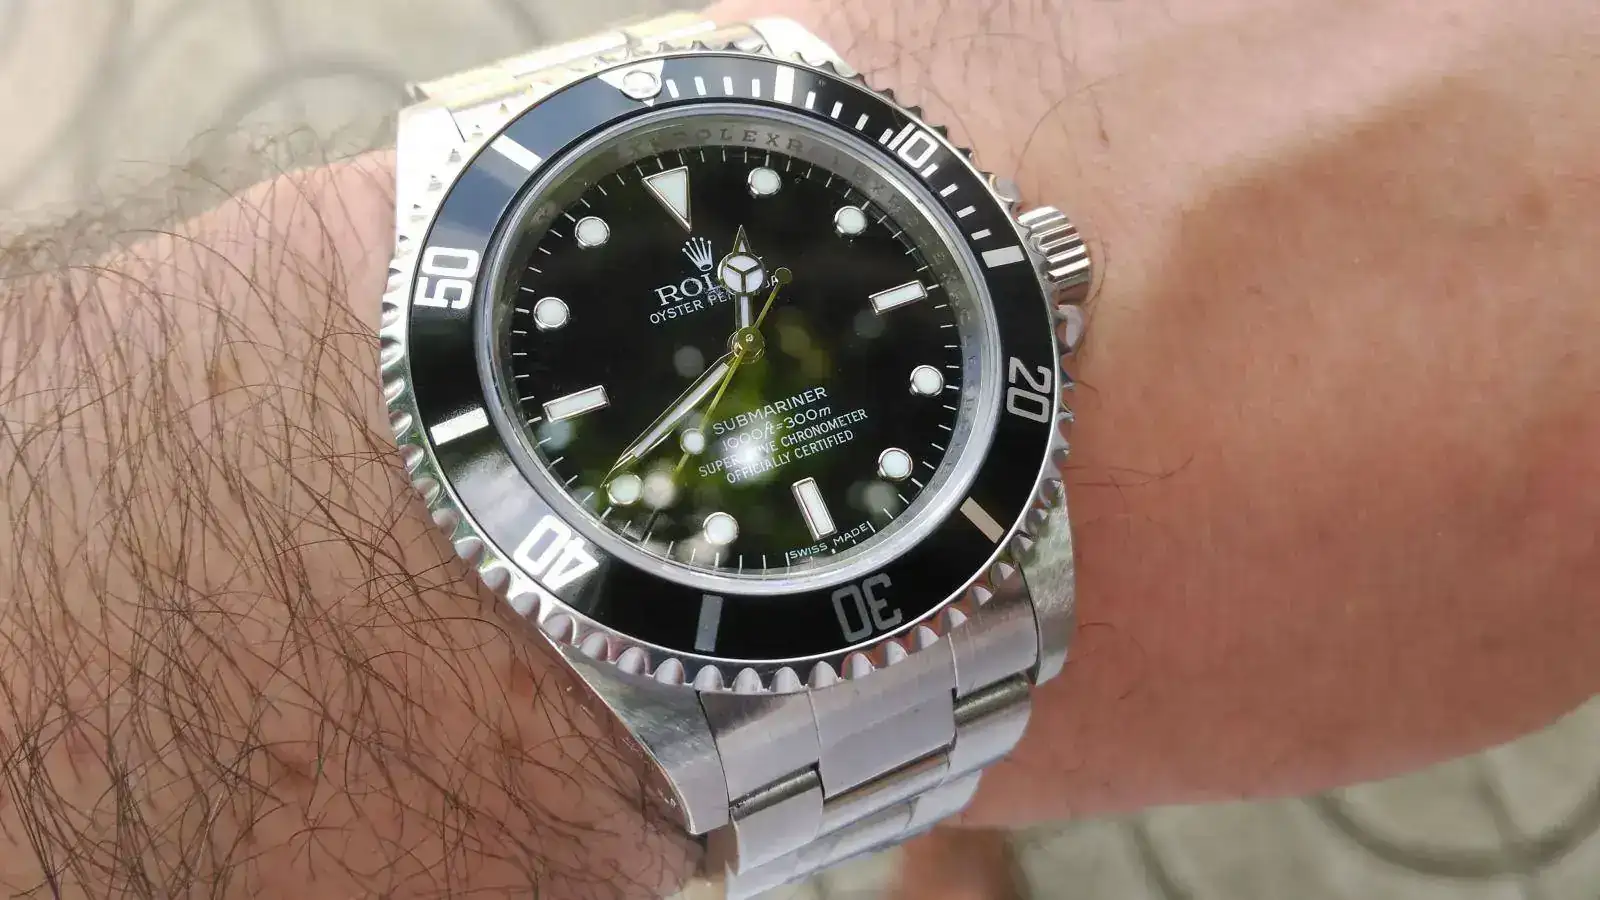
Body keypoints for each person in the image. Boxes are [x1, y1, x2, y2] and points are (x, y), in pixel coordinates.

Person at [1, 0, 1595, 896]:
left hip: (847, 516)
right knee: (860, 763)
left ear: (1030, 263)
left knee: (881, 765)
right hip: (761, 567)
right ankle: (924, 816)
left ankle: (922, 818)